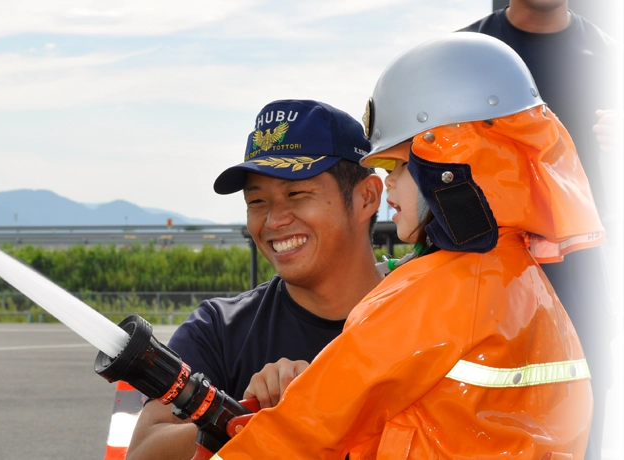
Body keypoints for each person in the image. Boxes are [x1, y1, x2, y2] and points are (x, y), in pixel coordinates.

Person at [212, 32, 601, 459]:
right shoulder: (531, 286)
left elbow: (303, 429)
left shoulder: (431, 294)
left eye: (398, 164)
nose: (388, 183)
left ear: (450, 164)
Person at [125, 99, 385, 460]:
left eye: (296, 193)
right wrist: (241, 418)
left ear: (366, 197)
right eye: (256, 201)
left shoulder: (426, 316)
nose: (274, 220)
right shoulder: (218, 329)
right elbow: (142, 453)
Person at [462, 4, 620, 458]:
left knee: (578, 416)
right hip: (480, 264)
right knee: (475, 417)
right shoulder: (462, 53)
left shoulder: (611, 55)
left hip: (577, 268)